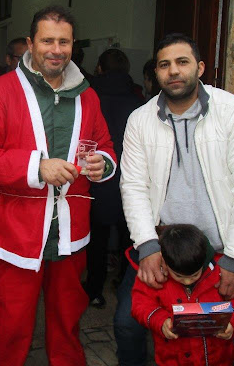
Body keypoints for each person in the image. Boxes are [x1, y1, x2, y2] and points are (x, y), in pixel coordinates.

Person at [0, 5, 117, 366]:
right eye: (47, 41)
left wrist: (102, 163)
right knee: (12, 323)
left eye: (64, 42)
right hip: (15, 229)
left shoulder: (88, 96)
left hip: (70, 229)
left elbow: (105, 146)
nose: (56, 50)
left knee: (67, 320)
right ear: (31, 44)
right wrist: (36, 167)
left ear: (73, 45)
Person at [114, 33, 234, 366]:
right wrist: (147, 246)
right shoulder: (140, 120)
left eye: (182, 62)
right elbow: (134, 186)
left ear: (199, 68)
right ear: (156, 72)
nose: (173, 71)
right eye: (164, 64)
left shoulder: (232, 111)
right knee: (127, 324)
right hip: (160, 248)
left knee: (218, 332)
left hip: (217, 254)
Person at [131, 224, 234, 366]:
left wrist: (233, 321)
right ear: (165, 263)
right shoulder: (155, 276)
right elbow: (140, 304)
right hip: (173, 360)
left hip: (219, 359)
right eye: (178, 276)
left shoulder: (221, 272)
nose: (187, 281)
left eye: (195, 275)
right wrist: (160, 321)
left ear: (204, 260)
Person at [84, 48, 143, 308]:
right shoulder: (138, 101)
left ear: (99, 67)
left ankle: (94, 289)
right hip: (130, 176)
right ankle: (125, 286)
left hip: (98, 174)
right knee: (129, 237)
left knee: (96, 238)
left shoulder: (89, 97)